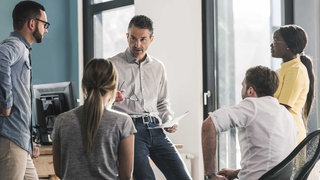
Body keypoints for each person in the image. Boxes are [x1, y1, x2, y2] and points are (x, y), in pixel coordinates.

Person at [108, 15, 192, 180]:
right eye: (133, 38)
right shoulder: (112, 65)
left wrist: (169, 120)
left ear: (151, 39)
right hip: (130, 130)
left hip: (156, 129)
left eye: (142, 39)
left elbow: (162, 103)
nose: (137, 44)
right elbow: (101, 102)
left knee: (183, 177)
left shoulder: (158, 67)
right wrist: (111, 98)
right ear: (127, 37)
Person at [202, 66, 297, 180]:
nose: (241, 90)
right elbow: (272, 163)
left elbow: (208, 124)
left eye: (243, 86)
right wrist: (237, 173)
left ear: (250, 90)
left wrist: (211, 175)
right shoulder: (286, 115)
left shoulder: (252, 105)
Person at [52, 58, 137, 179]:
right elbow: (126, 175)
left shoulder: (62, 120)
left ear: (84, 85)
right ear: (114, 86)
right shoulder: (122, 122)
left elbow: (59, 171)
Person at [0, 1, 49, 179]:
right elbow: (1, 58)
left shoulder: (22, 49)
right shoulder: (16, 46)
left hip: (21, 142)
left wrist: (30, 141)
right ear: (32, 23)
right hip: (11, 140)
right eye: (45, 24)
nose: (46, 29)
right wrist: (6, 103)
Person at [270, 24, 315, 144]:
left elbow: (284, 107)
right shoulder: (280, 71)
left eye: (275, 41)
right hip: (280, 132)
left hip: (290, 135)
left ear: (288, 46)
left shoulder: (296, 70)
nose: (271, 45)